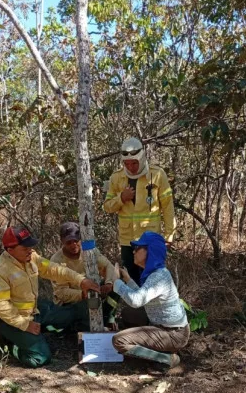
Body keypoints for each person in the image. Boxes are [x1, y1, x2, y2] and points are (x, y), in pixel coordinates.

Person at [0, 225, 100, 368]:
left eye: (30, 247)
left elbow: (53, 269)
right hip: (14, 320)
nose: (30, 251)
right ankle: (7, 345)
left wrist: (80, 280)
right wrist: (26, 325)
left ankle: (36, 334)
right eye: (25, 248)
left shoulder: (32, 257)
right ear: (10, 250)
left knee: (75, 312)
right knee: (40, 358)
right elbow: (1, 306)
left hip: (36, 309)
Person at [111, 231, 189, 369]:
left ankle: (166, 358)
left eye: (138, 248)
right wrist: (127, 279)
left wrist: (116, 282)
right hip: (167, 328)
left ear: (150, 251)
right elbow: (142, 297)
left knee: (119, 341)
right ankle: (158, 347)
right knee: (128, 313)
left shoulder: (158, 276)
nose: (134, 252)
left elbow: (136, 301)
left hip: (173, 334)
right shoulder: (156, 273)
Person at [102, 137, 176, 281]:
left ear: (141, 159)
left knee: (152, 279)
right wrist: (121, 198)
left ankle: (153, 305)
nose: (130, 167)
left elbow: (168, 206)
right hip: (127, 240)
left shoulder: (157, 174)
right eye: (126, 163)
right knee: (132, 279)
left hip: (150, 238)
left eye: (134, 163)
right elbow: (107, 206)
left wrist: (169, 234)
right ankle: (135, 304)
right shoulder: (117, 178)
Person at [49, 222, 119, 330]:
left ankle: (108, 316)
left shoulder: (89, 251)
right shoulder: (56, 260)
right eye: (69, 242)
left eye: (76, 241)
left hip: (92, 293)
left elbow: (108, 266)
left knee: (118, 282)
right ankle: (81, 325)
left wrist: (108, 283)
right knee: (86, 313)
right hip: (71, 302)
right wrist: (83, 294)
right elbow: (61, 293)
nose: (73, 245)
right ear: (62, 241)